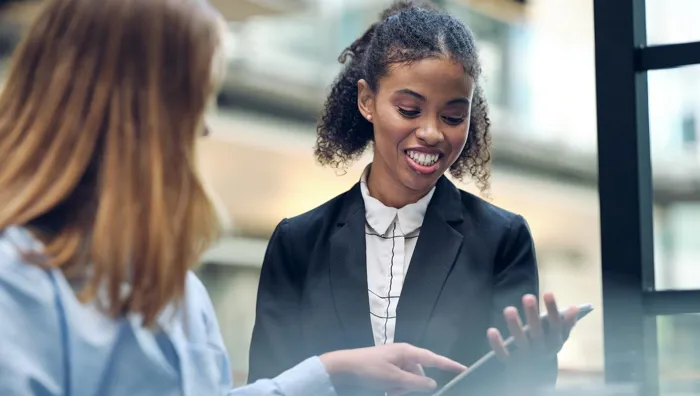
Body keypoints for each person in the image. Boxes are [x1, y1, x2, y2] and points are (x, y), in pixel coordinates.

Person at [0, 0, 468, 395]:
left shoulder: (180, 294)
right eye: (198, 101)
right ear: (135, 112)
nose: (205, 126)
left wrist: (329, 370)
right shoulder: (16, 284)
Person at [248, 1, 580, 395]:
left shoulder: (501, 240)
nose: (432, 133)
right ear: (367, 101)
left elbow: (520, 387)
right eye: (409, 109)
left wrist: (537, 358)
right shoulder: (298, 241)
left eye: (454, 116)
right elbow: (269, 385)